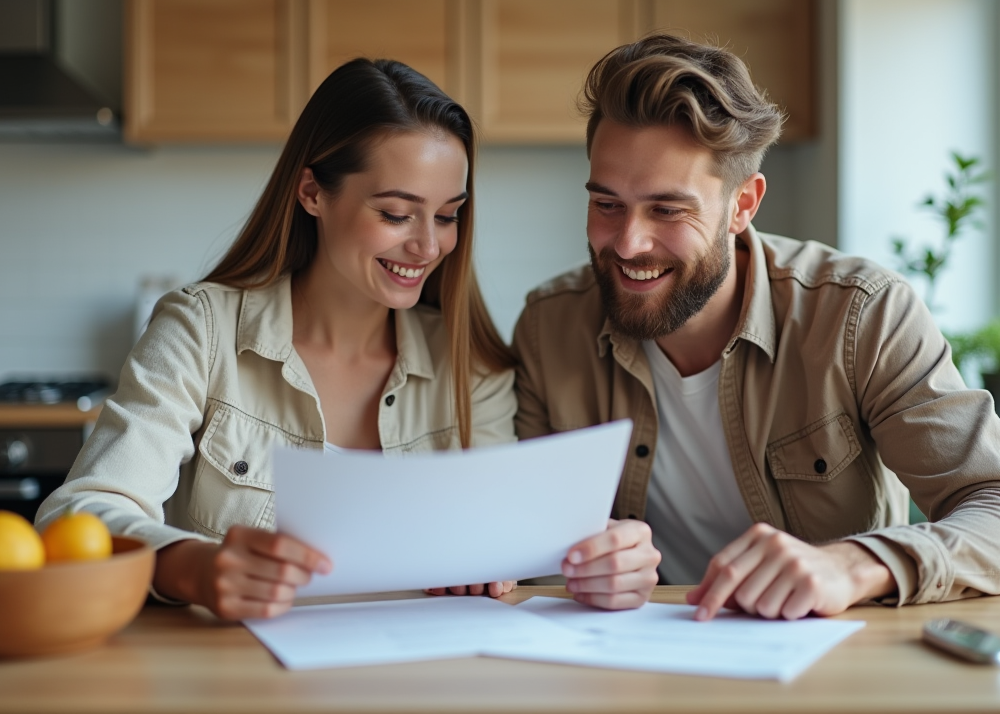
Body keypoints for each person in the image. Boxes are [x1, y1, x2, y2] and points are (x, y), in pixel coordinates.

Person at [36, 59, 658, 620]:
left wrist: (592, 558)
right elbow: (79, 515)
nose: (427, 245)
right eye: (394, 214)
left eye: (447, 215)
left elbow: (509, 559)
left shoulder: (472, 366)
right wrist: (191, 567)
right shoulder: (201, 331)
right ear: (312, 192)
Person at [512, 34, 1000, 620]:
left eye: (667, 210)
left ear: (743, 205)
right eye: (607, 204)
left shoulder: (862, 316)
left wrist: (852, 565)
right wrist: (584, 564)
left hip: (832, 671)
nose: (628, 242)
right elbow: (522, 535)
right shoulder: (549, 328)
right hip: (637, 664)